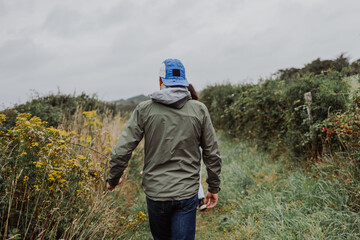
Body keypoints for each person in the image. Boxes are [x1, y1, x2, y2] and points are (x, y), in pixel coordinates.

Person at [107, 58, 222, 240]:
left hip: (156, 193)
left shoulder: (144, 109)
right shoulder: (199, 109)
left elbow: (123, 149)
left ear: (161, 81)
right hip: (186, 192)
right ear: (183, 80)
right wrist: (213, 187)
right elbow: (212, 153)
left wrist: (113, 178)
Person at [187, 83, 207, 211]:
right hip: (197, 146)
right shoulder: (199, 107)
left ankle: (198, 200)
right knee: (196, 173)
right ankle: (200, 201)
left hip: (186, 145)